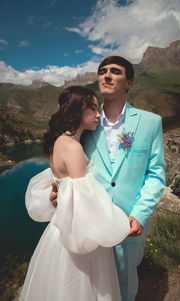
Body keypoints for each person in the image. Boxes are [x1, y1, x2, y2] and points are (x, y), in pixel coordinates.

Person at [25, 56, 166, 301]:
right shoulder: (86, 123)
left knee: (124, 286)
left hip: (129, 225)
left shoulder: (151, 122)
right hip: (88, 229)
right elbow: (64, 171)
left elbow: (155, 175)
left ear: (129, 83)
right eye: (102, 71)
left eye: (115, 71)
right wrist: (57, 191)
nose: (107, 75)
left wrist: (140, 214)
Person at [20, 86, 130, 301]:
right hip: (76, 232)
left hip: (60, 228)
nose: (99, 114)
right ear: (77, 110)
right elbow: (84, 201)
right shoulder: (72, 147)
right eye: (93, 108)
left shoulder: (59, 142)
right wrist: (118, 222)